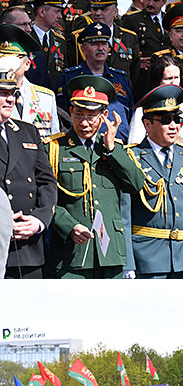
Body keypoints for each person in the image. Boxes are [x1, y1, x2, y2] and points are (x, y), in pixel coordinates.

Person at [46, 74, 147, 278]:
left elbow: (136, 184)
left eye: (91, 116)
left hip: (110, 253)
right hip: (70, 254)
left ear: (104, 115)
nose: (84, 122)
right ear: (70, 112)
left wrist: (111, 150)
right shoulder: (55, 149)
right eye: (78, 114)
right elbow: (45, 199)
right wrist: (69, 226)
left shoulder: (114, 149)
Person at [113, 84, 183, 277]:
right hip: (148, 259)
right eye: (166, 120)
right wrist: (127, 263)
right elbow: (124, 215)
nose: (174, 126)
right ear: (147, 124)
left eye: (178, 119)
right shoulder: (132, 157)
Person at [0, 49, 57, 277]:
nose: (10, 99)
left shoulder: (27, 132)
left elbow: (47, 182)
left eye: (12, 93)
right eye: (2, 93)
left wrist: (39, 220)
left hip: (29, 247)